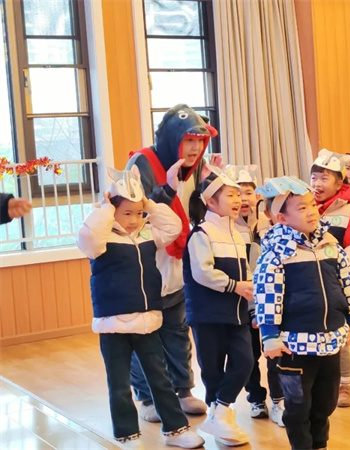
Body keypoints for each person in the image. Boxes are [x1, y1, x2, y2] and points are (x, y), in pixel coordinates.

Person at [76, 167, 203, 448]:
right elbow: (87, 237)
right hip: (113, 325)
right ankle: (127, 435)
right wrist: (105, 209)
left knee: (160, 378)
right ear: (112, 210)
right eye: (126, 213)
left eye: (138, 213)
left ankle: (176, 430)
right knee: (119, 384)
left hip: (147, 321)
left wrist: (149, 205)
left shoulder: (147, 234)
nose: (134, 220)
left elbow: (173, 227)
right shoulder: (101, 239)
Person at [253, 176, 350, 450]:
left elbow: (347, 282)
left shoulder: (330, 245)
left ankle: (320, 444)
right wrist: (269, 336)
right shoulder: (276, 254)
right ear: (282, 218)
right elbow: (267, 295)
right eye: (302, 208)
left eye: (312, 205)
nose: (312, 212)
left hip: (330, 342)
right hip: (294, 345)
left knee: (326, 402)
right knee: (298, 406)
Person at [126, 104, 218, 422]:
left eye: (199, 141)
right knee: (143, 333)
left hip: (177, 262)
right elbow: (134, 212)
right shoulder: (141, 162)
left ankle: (183, 390)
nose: (194, 148)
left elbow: (197, 209)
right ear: (171, 139)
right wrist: (165, 191)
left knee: (177, 330)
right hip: (145, 262)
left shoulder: (197, 167)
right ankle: (147, 396)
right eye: (188, 140)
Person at [183, 167, 254, 446]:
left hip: (237, 314)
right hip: (208, 315)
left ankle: (221, 412)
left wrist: (251, 297)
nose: (238, 200)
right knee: (212, 369)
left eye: (239, 194)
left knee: (245, 361)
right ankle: (220, 417)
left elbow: (246, 274)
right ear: (211, 202)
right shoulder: (201, 233)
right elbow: (203, 272)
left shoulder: (237, 233)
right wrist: (235, 286)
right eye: (230, 195)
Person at [224, 165, 285, 427]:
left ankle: (279, 401)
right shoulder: (225, 229)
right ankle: (256, 398)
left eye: (248, 192)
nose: (243, 199)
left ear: (257, 196)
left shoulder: (270, 225)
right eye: (236, 193)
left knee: (275, 352)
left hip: (271, 302)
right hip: (242, 304)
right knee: (248, 356)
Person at [310, 148, 350, 407]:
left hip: (335, 286)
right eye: (314, 177)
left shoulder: (349, 213)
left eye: (324, 178)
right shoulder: (304, 206)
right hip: (308, 284)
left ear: (339, 183)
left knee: (339, 336)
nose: (317, 183)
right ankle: (316, 383)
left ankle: (346, 385)